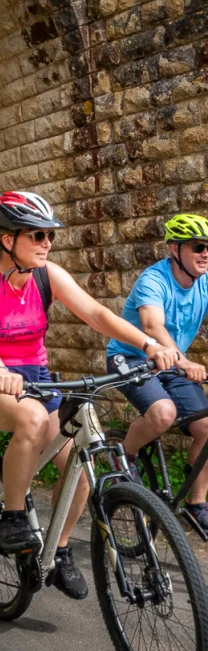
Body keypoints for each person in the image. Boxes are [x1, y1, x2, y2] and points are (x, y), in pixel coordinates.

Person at [0, 191, 177, 599]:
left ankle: (56, 552)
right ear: (8, 240)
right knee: (32, 420)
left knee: (82, 459)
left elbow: (97, 315)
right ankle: (14, 516)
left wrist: (148, 344)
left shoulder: (47, 275)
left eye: (49, 237)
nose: (47, 244)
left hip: (36, 377)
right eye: (37, 236)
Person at [106, 213, 208, 529]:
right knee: (163, 414)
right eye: (198, 246)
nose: (205, 253)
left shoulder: (204, 281)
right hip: (132, 357)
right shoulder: (154, 280)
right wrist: (186, 363)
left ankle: (196, 504)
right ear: (174, 250)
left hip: (171, 363)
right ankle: (125, 455)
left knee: (206, 427)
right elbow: (153, 325)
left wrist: (179, 361)